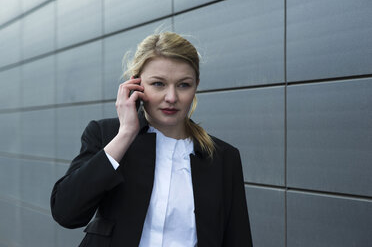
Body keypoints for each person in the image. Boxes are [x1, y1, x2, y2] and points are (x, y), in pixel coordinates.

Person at [50, 31, 253, 247]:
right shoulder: (106, 135)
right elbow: (66, 213)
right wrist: (126, 134)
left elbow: (238, 239)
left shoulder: (223, 158)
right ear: (136, 84)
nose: (172, 98)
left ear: (196, 85)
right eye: (158, 84)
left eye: (184, 85)